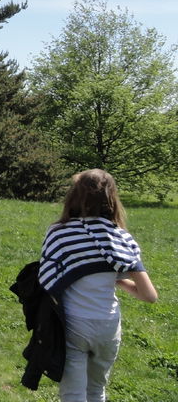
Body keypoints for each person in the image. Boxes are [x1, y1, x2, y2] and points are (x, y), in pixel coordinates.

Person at [38, 169, 158, 402]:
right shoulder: (122, 238)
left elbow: (48, 278)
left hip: (74, 323)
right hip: (108, 327)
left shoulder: (59, 232)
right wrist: (119, 281)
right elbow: (149, 296)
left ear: (73, 196)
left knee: (73, 394)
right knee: (96, 390)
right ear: (112, 198)